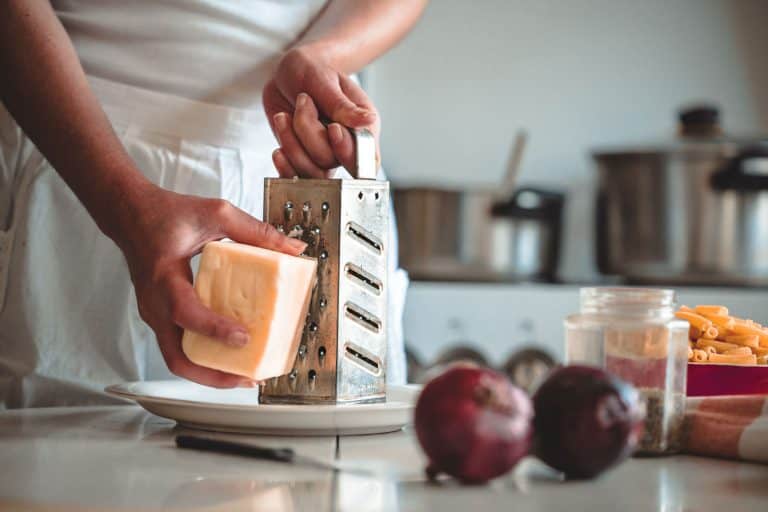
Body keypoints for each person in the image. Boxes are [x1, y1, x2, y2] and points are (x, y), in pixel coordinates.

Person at [0, 0, 427, 408]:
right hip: (84, 157)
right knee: (67, 456)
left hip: (295, 160)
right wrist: (126, 210)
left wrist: (322, 54)